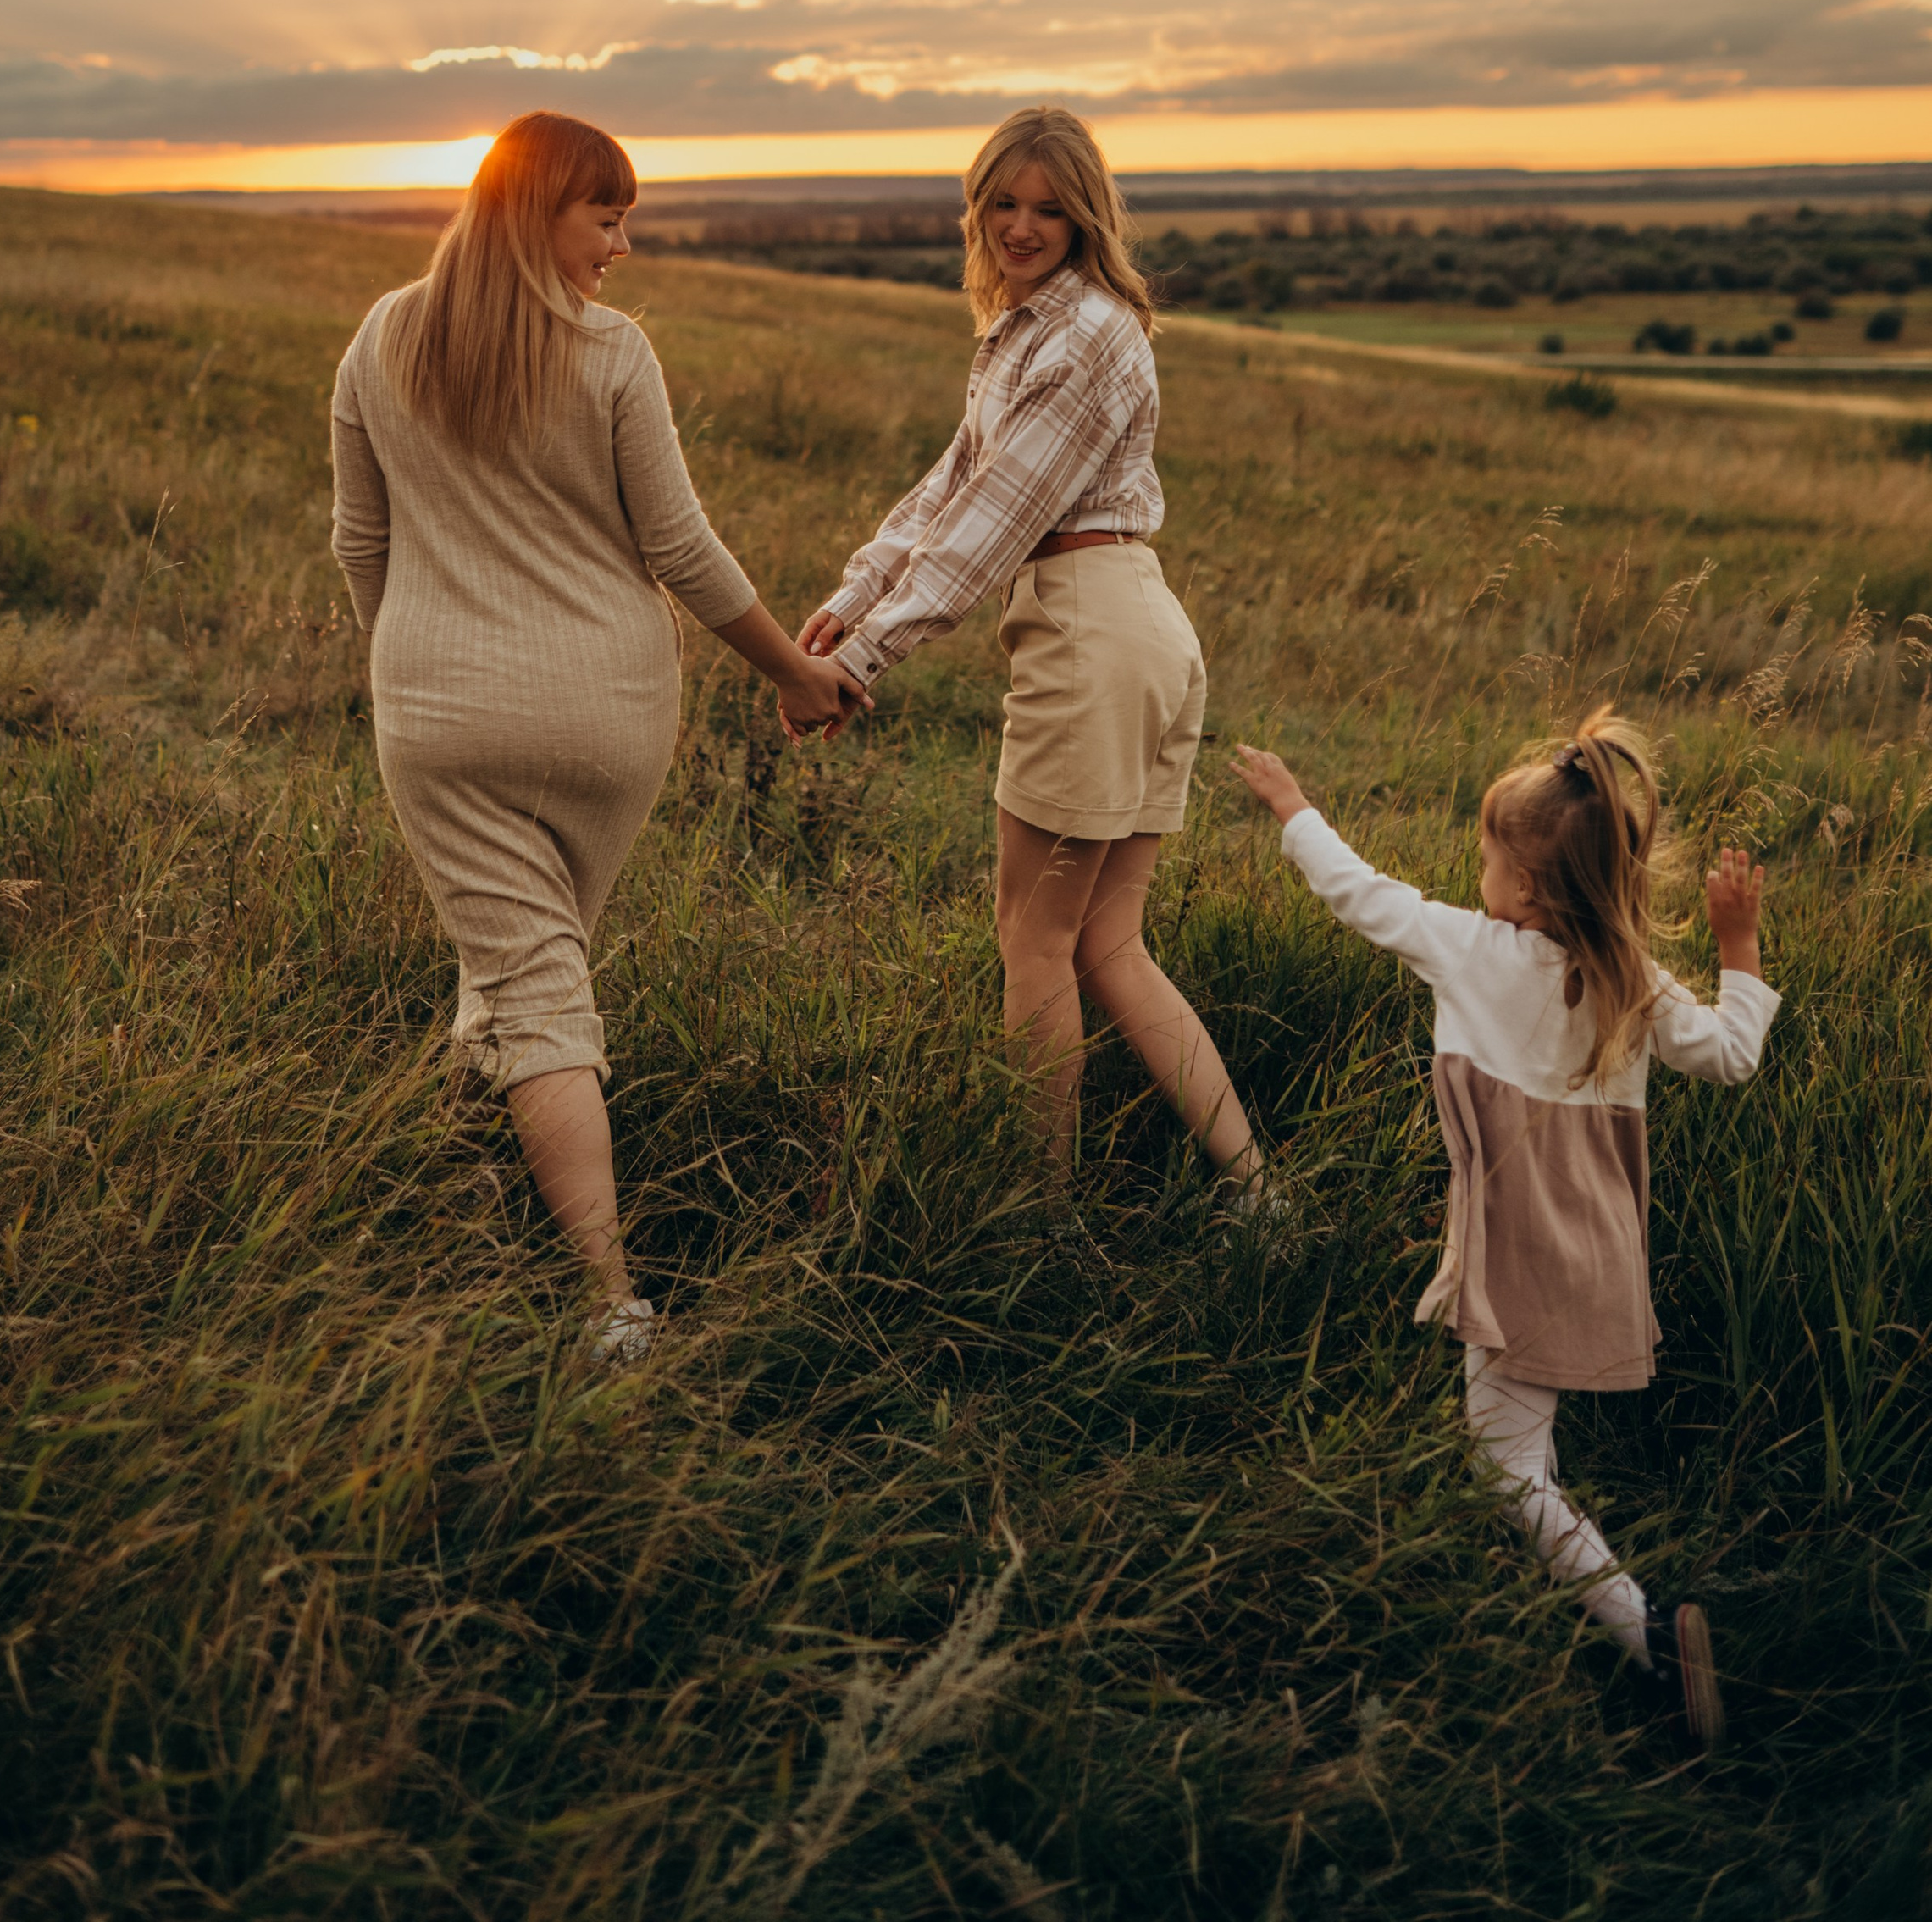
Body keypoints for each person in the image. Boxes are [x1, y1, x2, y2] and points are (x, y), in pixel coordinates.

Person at [330, 109, 865, 1363]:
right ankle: (514, 1210)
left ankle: (602, 1300)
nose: (624, 242)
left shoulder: (382, 334)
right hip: (611, 716)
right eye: (605, 215)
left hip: (441, 710)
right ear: (535, 210)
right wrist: (794, 673)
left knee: (527, 970)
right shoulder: (613, 354)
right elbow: (675, 548)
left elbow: (362, 544)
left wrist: (406, 653)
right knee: (530, 953)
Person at [1231, 716, 1778, 1744]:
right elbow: (1731, 1055)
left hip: (1523, 1250)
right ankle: (1599, 1598)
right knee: (1515, 1448)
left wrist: (1292, 807)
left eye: (1486, 859)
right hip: (1601, 1248)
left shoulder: (1476, 952)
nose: (1475, 874)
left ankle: (1650, 1636)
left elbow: (1361, 897)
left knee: (1504, 1468)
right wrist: (1737, 947)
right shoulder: (1630, 978)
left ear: (1525, 888)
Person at [800, 105, 1264, 1194]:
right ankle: (1254, 1191)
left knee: (1034, 941)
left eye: (1050, 209)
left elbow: (988, 528)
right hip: (1134, 623)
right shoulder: (1031, 328)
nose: (1021, 226)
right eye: (1003, 203)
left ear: (1086, 215)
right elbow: (953, 479)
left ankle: (1037, 1214)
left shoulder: (1083, 335)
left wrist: (860, 661)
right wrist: (852, 594)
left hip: (1090, 630)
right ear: (977, 205)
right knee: (1107, 944)